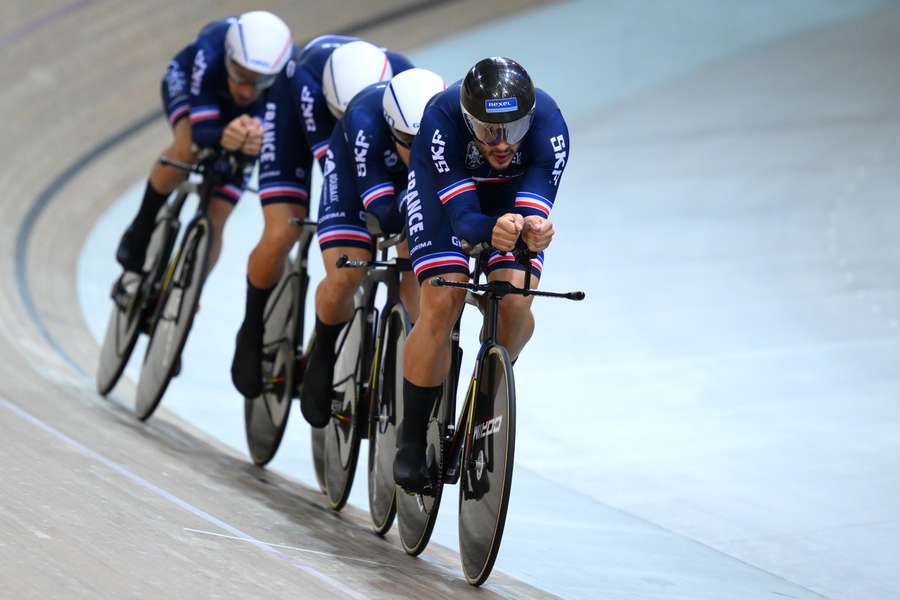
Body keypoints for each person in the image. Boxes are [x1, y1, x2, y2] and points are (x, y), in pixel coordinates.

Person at [392, 57, 570, 493]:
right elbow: (464, 218)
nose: (503, 143)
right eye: (490, 130)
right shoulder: (441, 118)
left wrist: (534, 228)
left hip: (508, 195)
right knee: (442, 301)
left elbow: (532, 208)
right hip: (448, 200)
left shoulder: (551, 125)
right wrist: (491, 230)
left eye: (513, 129)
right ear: (469, 119)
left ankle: (485, 399)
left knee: (516, 301)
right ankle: (410, 439)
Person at [230, 36, 414, 399]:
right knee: (284, 230)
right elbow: (340, 173)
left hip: (379, 138)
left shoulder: (407, 81)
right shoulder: (306, 85)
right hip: (297, 126)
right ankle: (251, 328)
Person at [300, 68, 446, 427]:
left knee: (419, 267)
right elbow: (385, 212)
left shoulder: (450, 121)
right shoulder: (365, 120)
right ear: (391, 127)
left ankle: (413, 349)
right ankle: (322, 352)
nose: (416, 151)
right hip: (357, 178)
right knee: (346, 274)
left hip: (409, 190)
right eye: (407, 141)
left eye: (423, 140)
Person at [115, 11, 292, 278]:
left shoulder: (288, 73)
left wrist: (254, 136)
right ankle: (141, 226)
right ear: (228, 57)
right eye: (241, 75)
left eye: (259, 81)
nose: (246, 89)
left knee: (218, 217)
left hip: (245, 114)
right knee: (188, 150)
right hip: (192, 88)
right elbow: (204, 132)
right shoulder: (210, 48)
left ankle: (190, 290)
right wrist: (223, 137)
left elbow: (276, 128)